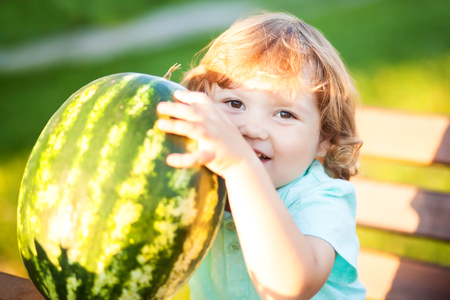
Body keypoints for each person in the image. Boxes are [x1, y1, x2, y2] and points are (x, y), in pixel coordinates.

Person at [156, 11, 366, 300]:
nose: (253, 129)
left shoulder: (321, 199)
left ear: (324, 138)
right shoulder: (199, 183)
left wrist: (241, 166)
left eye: (284, 113)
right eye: (234, 102)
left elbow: (290, 287)